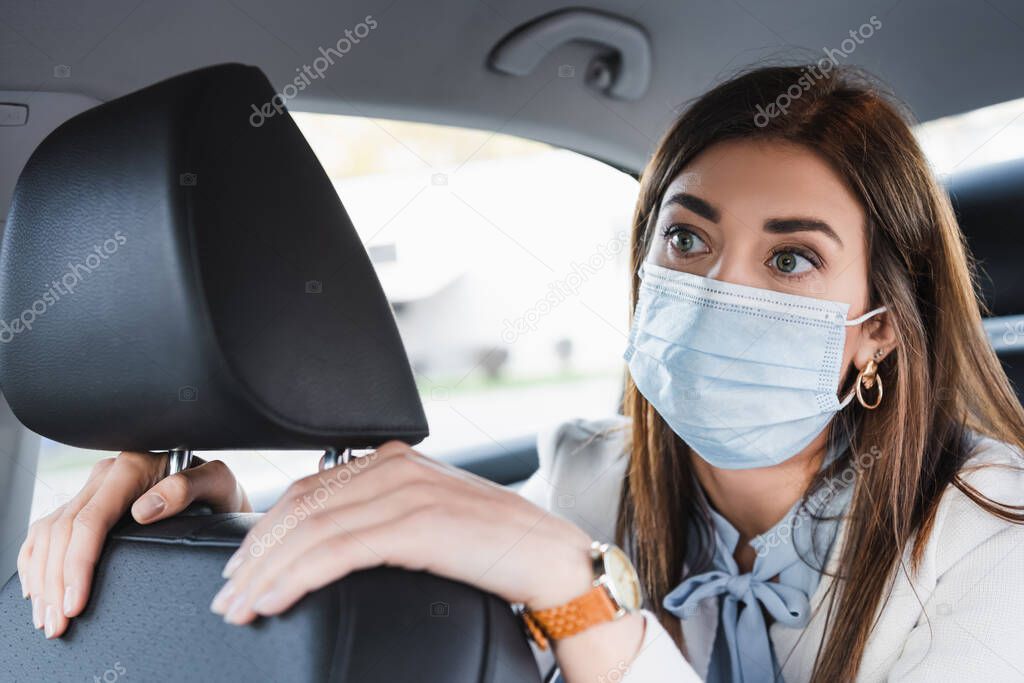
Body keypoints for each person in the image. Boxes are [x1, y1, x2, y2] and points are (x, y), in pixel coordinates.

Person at [18, 65, 1024, 682]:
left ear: (877, 331)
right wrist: (231, 514)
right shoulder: (591, 473)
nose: (719, 287)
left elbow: (543, 568)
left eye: (790, 258)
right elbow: (426, 553)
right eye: (686, 239)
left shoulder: (995, 547)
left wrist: (576, 596)